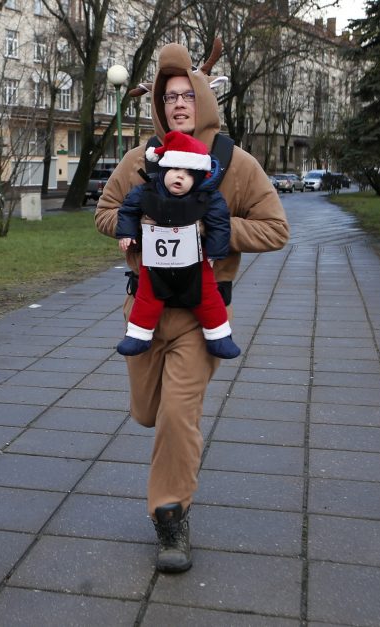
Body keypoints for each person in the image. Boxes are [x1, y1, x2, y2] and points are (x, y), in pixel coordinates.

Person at [95, 42, 289, 573]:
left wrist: (211, 233)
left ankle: (170, 517)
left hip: (201, 317)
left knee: (179, 418)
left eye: (186, 94)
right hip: (143, 312)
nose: (177, 103)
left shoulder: (235, 164)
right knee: (148, 413)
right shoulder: (141, 160)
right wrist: (130, 229)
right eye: (167, 96)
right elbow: (107, 210)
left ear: (203, 98)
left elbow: (276, 229)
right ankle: (168, 470)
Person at [115, 130, 240, 360]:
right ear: (164, 170)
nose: (179, 177)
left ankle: (219, 336)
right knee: (147, 296)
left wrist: (215, 251)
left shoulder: (208, 198)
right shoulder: (146, 192)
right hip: (154, 261)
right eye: (174, 170)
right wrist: (126, 232)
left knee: (208, 296)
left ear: (199, 178)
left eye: (188, 174)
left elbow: (220, 224)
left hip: (195, 259)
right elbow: (127, 210)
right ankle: (138, 335)